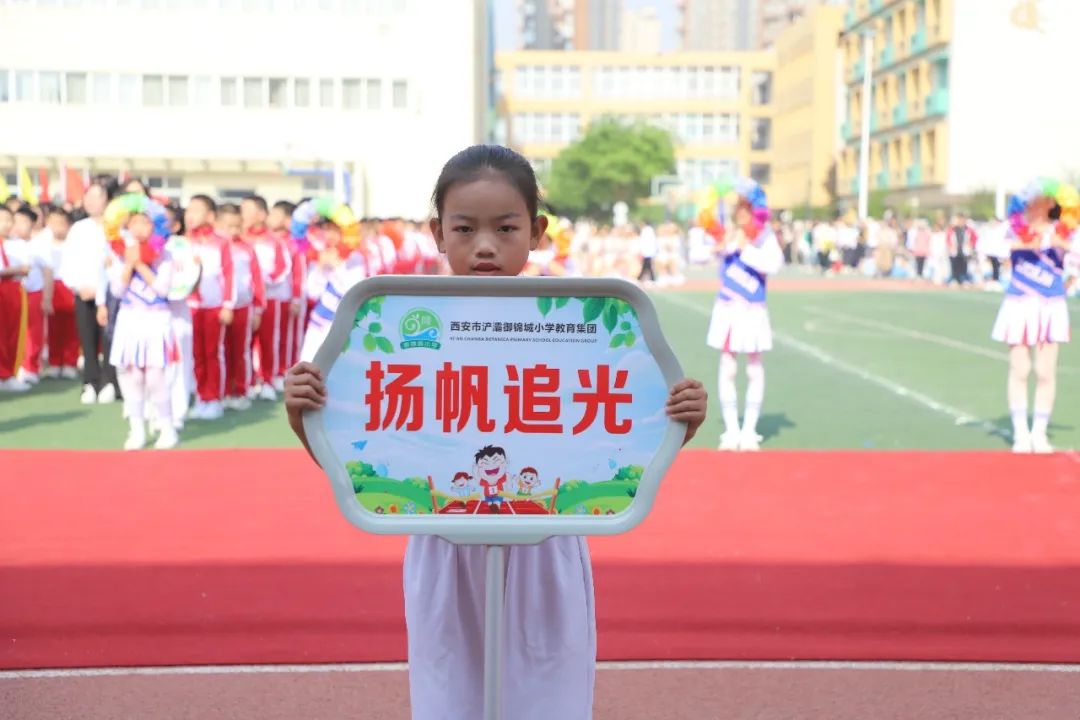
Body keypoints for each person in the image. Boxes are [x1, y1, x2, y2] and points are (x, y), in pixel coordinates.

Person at [284, 144, 708, 720]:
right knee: (449, 692)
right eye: (465, 227)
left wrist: (678, 418)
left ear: (536, 231)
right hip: (444, 549)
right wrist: (304, 414)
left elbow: (619, 449)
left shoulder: (580, 326)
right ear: (437, 232)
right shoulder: (396, 322)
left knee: (546, 691)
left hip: (546, 548)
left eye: (506, 228)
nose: (485, 245)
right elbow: (365, 459)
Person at [991, 194, 1071, 453]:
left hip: (1050, 305)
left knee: (1045, 372)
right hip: (1020, 303)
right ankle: (1020, 433)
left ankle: (1039, 432)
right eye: (1034, 201)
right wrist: (1021, 242)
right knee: (1020, 370)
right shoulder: (1013, 229)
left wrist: (1060, 245)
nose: (1038, 206)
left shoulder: (1064, 231)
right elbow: (990, 246)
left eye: (1046, 201)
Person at [706, 190, 784, 451]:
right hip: (727, 309)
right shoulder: (727, 232)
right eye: (738, 207)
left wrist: (746, 249)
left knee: (753, 368)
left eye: (746, 207)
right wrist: (718, 245)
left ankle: (749, 431)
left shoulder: (764, 237)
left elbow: (774, 265)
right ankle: (731, 431)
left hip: (752, 309)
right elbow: (702, 254)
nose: (741, 212)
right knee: (727, 367)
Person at [107, 201, 179, 450]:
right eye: (134, 222)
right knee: (133, 376)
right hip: (130, 320)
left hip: (156, 320)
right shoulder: (120, 253)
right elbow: (116, 289)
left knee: (156, 378)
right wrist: (129, 264)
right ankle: (136, 429)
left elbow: (162, 289)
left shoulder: (165, 256)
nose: (139, 228)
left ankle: (166, 427)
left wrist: (140, 265)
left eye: (145, 222)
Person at [61, 179, 119, 404]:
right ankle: (90, 382)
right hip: (84, 292)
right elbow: (68, 263)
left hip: (110, 294)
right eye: (89, 197)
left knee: (109, 339)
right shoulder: (79, 228)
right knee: (87, 339)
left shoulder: (115, 228)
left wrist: (104, 289)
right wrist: (79, 286)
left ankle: (109, 382)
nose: (92, 202)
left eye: (98, 197)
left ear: (108, 200)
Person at [185, 195, 235, 421]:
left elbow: (228, 274)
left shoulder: (222, 243)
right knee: (195, 354)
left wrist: (227, 304)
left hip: (214, 306)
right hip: (190, 307)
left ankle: (214, 397)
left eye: (197, 210)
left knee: (213, 353)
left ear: (210, 216)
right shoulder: (183, 242)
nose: (190, 214)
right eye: (189, 210)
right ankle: (200, 397)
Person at [243, 196, 291, 401]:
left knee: (269, 341)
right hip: (246, 301)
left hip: (270, 298)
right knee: (245, 343)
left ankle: (268, 380)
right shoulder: (240, 240)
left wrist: (262, 280)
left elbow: (282, 269)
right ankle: (248, 381)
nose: (243, 214)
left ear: (261, 214)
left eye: (247, 210)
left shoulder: (275, 242)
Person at [218, 203, 264, 411]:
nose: (234, 231)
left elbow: (257, 280)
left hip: (243, 307)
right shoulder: (215, 248)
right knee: (222, 351)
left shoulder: (247, 249)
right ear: (218, 225)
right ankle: (223, 390)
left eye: (237, 226)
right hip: (219, 308)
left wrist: (258, 308)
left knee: (240, 351)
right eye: (229, 227)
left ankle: (241, 389)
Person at [5, 206, 54, 385]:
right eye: (14, 221)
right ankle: (16, 366)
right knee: (16, 332)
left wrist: (47, 298)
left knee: (34, 333)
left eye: (23, 222)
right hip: (14, 293)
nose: (17, 226)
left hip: (34, 292)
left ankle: (31, 367)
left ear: (33, 224)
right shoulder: (9, 243)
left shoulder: (39, 245)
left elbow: (48, 271)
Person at [42, 208, 79, 378]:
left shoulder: (74, 244)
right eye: (53, 223)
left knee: (71, 327)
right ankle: (55, 362)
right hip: (51, 287)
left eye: (61, 224)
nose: (57, 227)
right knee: (53, 327)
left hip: (69, 286)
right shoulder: (43, 243)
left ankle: (70, 362)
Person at [0, 206, 31, 392]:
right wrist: (18, 270)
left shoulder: (12, 244)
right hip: (4, 288)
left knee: (11, 334)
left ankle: (8, 373)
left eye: (9, 220)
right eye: (2, 219)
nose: (6, 224)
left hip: (12, 292)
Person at [947, 213, 977, 286]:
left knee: (964, 265)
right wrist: (950, 246)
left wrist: (971, 245)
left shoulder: (969, 230)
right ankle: (955, 279)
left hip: (965, 250)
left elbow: (974, 238)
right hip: (954, 250)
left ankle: (964, 279)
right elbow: (948, 239)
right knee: (954, 265)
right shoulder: (952, 229)